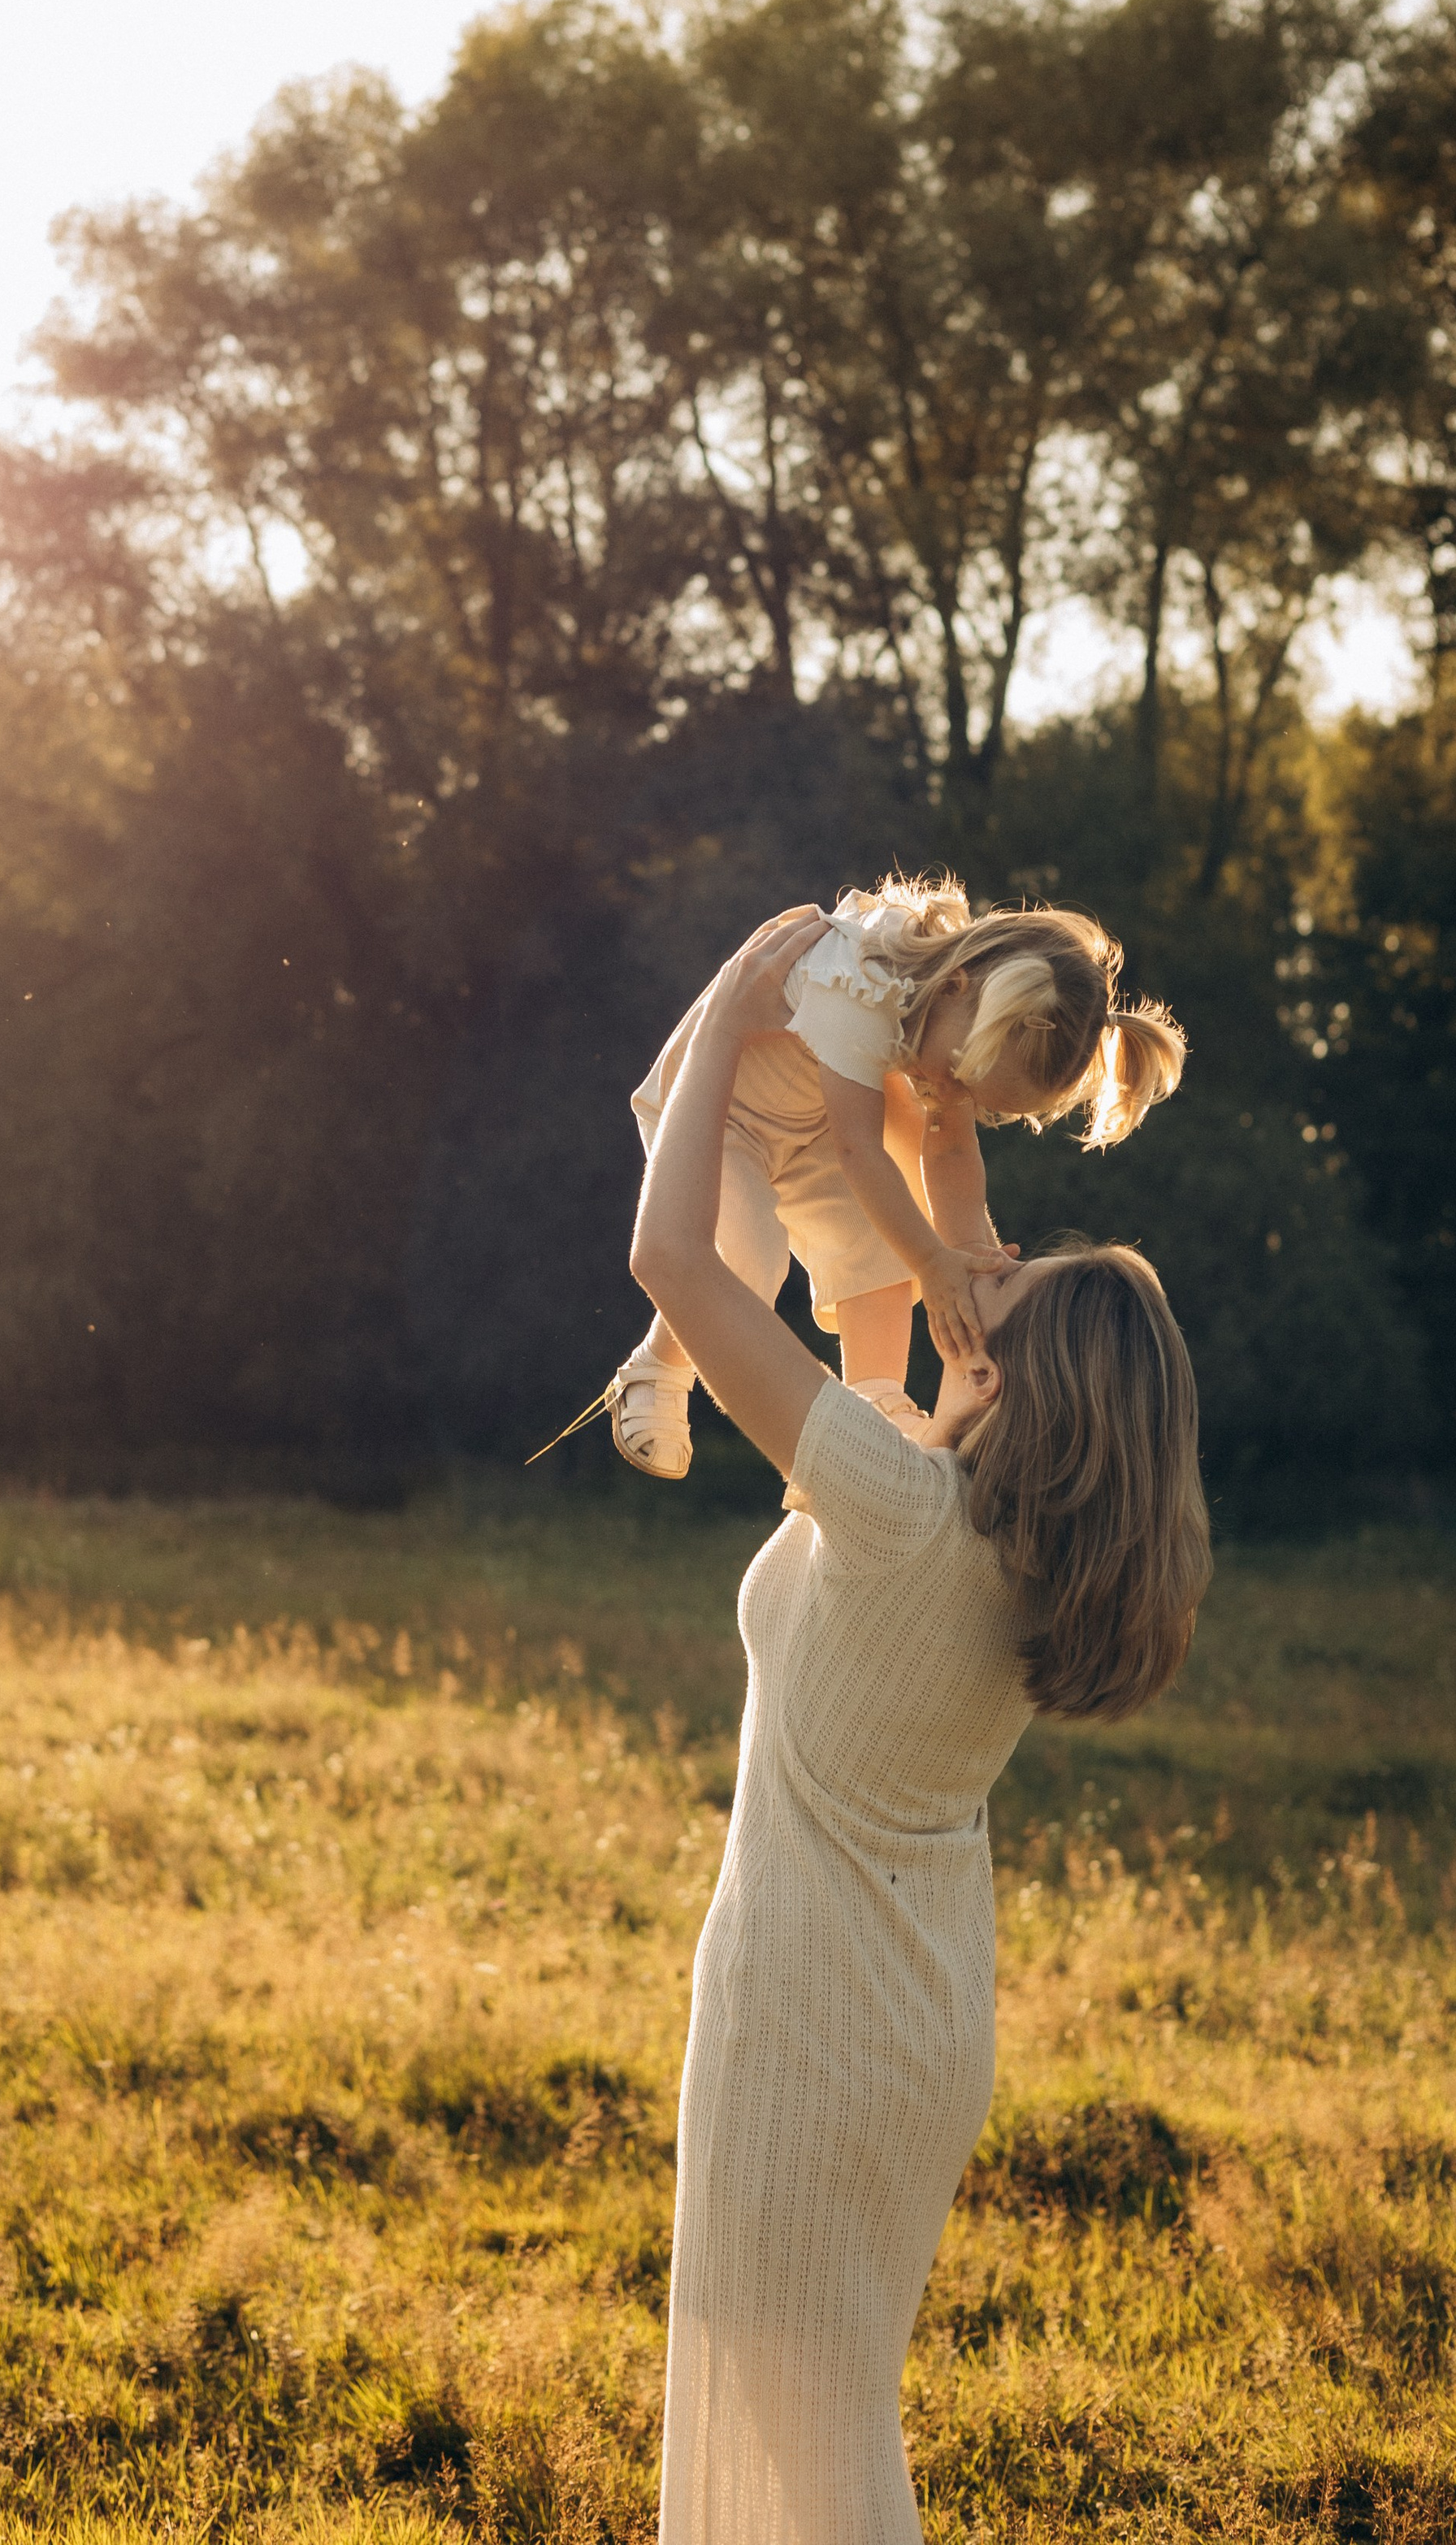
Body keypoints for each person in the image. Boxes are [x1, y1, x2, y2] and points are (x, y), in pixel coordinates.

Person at [631, 908, 1211, 2545]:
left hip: (811, 2017)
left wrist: (720, 1019)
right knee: (822, 2414)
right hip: (912, 2019)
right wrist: (908, 1122)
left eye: (1009, 1286)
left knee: (806, 2442)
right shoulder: (1013, 1554)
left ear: (1015, 1381)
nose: (985, 1267)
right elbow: (901, 1223)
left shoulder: (895, 1504)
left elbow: (673, 1264)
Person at [604, 875, 1185, 1479]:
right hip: (722, 1115)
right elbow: (860, 1151)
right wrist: (933, 1262)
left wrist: (970, 1267)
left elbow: (951, 1153)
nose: (950, 1092)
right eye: (959, 1074)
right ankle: (657, 1369)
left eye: (972, 1093)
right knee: (752, 1255)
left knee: (884, 1239)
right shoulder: (862, 979)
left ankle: (876, 1395)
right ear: (957, 985)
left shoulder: (955, 1016)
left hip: (813, 1127)